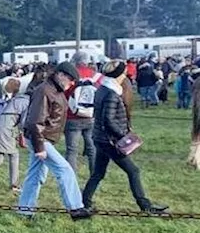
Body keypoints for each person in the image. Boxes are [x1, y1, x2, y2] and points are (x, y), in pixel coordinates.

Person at [80, 61, 167, 215]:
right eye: (124, 72)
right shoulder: (112, 94)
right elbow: (109, 120)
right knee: (133, 171)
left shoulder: (102, 89)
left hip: (100, 138)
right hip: (110, 141)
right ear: (119, 75)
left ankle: (84, 202)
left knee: (98, 174)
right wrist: (125, 135)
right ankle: (145, 206)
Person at [17, 62, 92, 220]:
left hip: (42, 138)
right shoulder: (45, 91)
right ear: (60, 75)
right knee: (64, 170)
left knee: (35, 175)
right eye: (70, 79)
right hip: (41, 139)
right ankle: (75, 208)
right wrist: (40, 148)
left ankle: (25, 210)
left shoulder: (55, 91)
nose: (72, 83)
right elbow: (35, 121)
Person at [64, 51, 100, 173]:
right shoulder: (95, 76)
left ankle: (71, 178)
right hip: (90, 116)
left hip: (72, 117)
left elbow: (65, 94)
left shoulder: (70, 75)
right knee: (92, 148)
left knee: (71, 150)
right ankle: (95, 175)